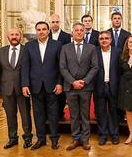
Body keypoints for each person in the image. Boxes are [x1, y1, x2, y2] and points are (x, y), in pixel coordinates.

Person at [21, 21, 62, 150]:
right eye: (39, 30)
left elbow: (61, 66)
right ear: (36, 31)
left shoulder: (57, 45)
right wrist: (25, 84)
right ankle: (41, 139)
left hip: (52, 86)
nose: (41, 32)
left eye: (44, 29)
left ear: (48, 31)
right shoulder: (29, 46)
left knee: (53, 114)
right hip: (35, 86)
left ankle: (54, 139)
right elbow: (25, 67)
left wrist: (59, 83)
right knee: (38, 114)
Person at [60, 23, 98, 151]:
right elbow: (62, 67)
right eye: (76, 30)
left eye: (81, 30)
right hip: (70, 88)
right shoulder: (65, 48)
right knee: (74, 115)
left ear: (84, 33)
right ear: (72, 32)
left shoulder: (91, 48)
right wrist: (72, 82)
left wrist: (85, 81)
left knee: (85, 115)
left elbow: (95, 67)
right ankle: (75, 138)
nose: (79, 32)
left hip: (85, 87)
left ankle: (85, 140)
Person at [0, 28, 32, 149]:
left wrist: (28, 85)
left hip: (23, 89)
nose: (14, 36)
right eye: (12, 34)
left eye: (17, 34)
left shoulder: (26, 50)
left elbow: (30, 70)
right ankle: (12, 138)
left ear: (21, 36)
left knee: (25, 115)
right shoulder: (1, 51)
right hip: (6, 89)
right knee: (10, 116)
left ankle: (27, 138)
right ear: (8, 37)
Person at [94, 31, 121, 145]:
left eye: (106, 38)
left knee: (114, 111)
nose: (104, 40)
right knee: (100, 112)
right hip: (99, 85)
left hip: (113, 85)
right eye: (101, 38)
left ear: (110, 40)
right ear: (99, 40)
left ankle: (114, 134)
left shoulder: (117, 52)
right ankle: (103, 134)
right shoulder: (94, 51)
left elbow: (121, 70)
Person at [49, 13, 71, 120]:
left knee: (61, 95)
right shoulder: (46, 35)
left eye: (57, 22)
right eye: (53, 22)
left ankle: (60, 115)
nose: (55, 24)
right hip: (49, 70)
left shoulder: (66, 36)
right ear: (50, 23)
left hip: (62, 69)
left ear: (60, 22)